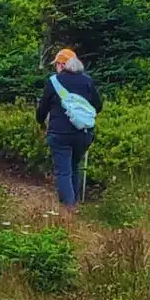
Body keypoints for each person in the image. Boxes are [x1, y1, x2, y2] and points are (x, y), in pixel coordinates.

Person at [36, 48, 104, 210]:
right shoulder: (87, 81)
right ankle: (74, 202)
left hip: (59, 134)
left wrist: (41, 122)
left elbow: (43, 108)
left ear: (62, 64)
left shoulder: (53, 82)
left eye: (57, 64)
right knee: (74, 166)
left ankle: (69, 209)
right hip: (83, 133)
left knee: (63, 171)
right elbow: (98, 106)